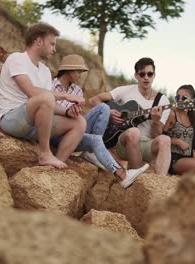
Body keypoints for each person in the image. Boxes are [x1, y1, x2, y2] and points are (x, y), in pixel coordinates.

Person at [51, 54, 149, 188]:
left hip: (75, 130)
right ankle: (121, 173)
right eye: (79, 71)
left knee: (103, 107)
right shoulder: (50, 85)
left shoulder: (77, 90)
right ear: (69, 70)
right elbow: (47, 111)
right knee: (95, 137)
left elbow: (77, 117)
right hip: (57, 132)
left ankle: (95, 153)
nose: (81, 75)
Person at [0, 22, 86, 169]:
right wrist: (66, 96)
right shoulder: (16, 59)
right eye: (51, 44)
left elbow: (48, 105)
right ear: (38, 41)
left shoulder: (45, 71)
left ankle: (54, 167)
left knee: (79, 122)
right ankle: (45, 154)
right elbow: (31, 92)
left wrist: (67, 111)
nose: (54, 49)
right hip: (13, 120)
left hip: (35, 125)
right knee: (45, 97)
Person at [89, 57, 171, 176]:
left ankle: (159, 184)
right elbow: (94, 100)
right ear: (136, 76)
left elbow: (156, 135)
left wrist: (156, 121)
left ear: (154, 75)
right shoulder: (125, 91)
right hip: (122, 144)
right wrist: (109, 112)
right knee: (134, 132)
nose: (146, 77)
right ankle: (136, 177)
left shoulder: (162, 101)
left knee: (165, 139)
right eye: (142, 74)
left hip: (147, 144)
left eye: (149, 74)